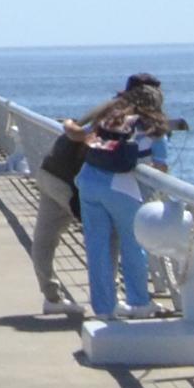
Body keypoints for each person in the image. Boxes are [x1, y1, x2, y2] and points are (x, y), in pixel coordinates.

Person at [72, 77, 180, 323]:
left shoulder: (110, 118)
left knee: (97, 246)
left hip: (88, 180)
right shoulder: (152, 126)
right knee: (133, 245)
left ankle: (104, 308)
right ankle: (139, 301)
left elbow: (85, 136)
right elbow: (161, 164)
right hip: (121, 188)